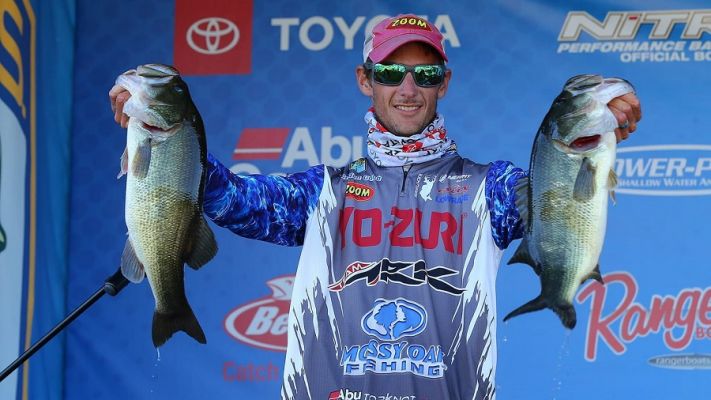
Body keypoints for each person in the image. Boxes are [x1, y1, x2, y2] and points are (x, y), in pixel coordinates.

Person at [110, 14, 641, 400]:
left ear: (444, 84)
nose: (408, 88)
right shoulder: (322, 193)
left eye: (425, 74)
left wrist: (602, 122)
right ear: (366, 80)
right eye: (391, 72)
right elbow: (231, 199)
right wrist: (156, 136)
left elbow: (559, 195)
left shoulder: (491, 188)